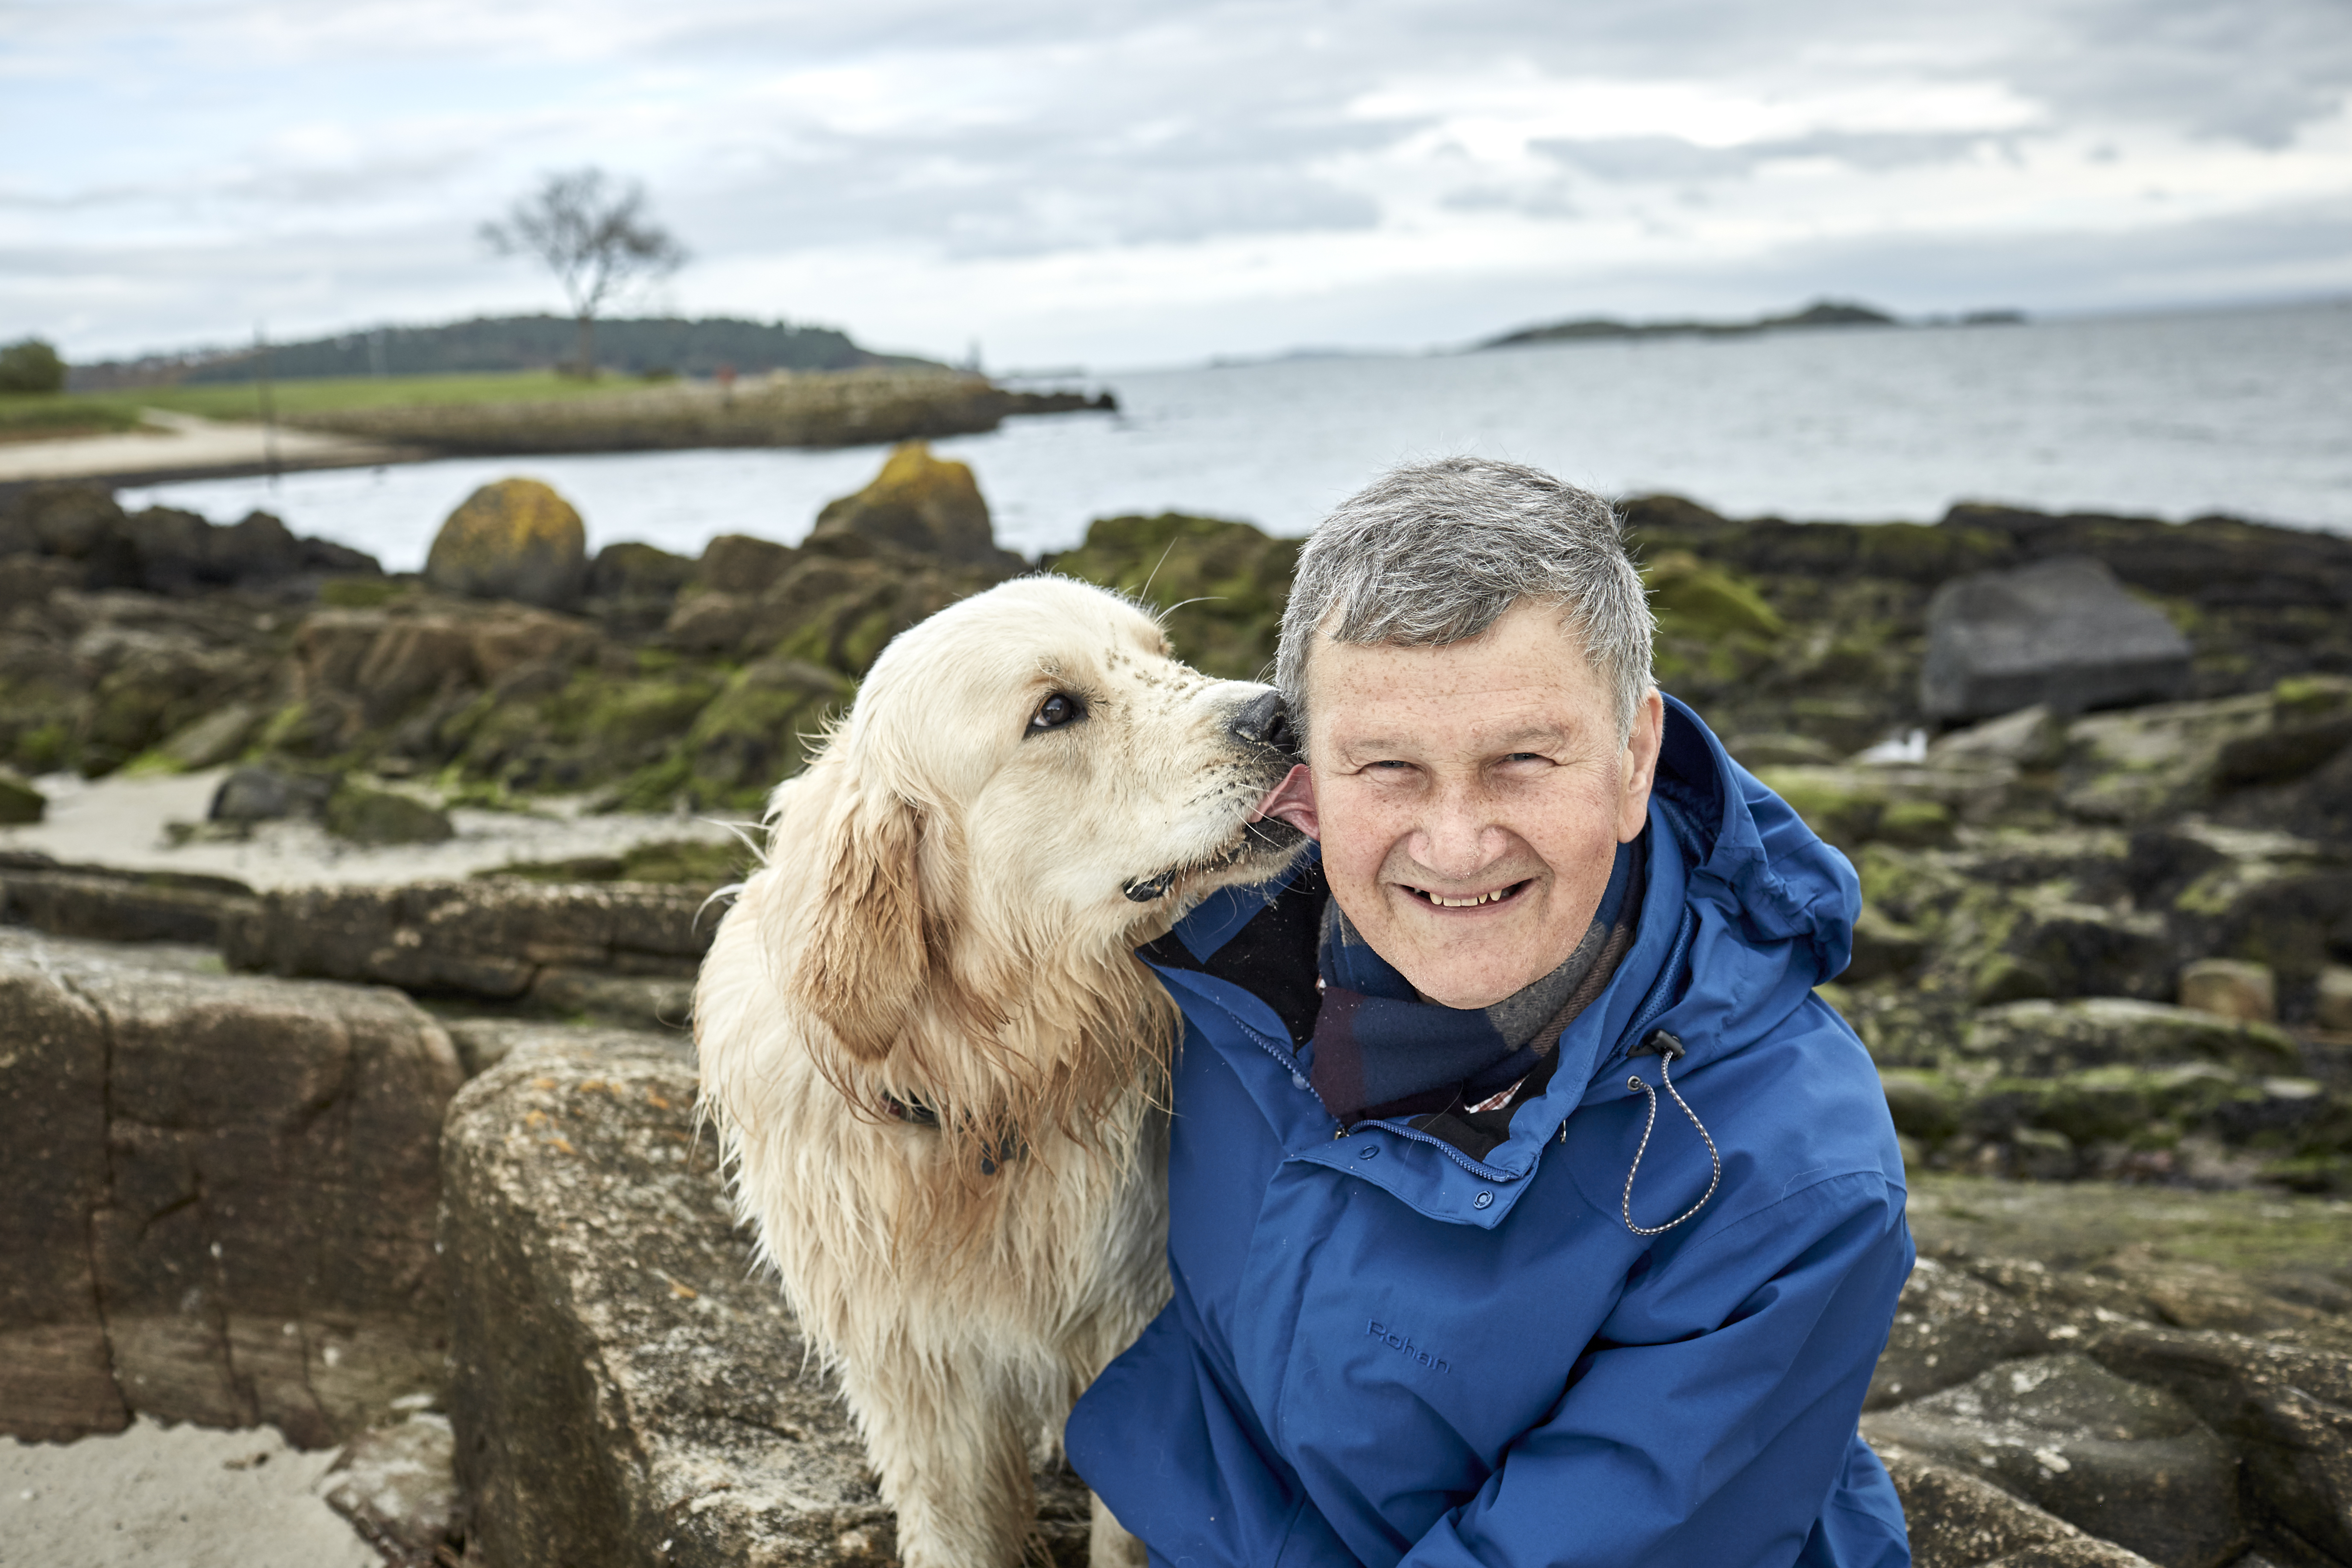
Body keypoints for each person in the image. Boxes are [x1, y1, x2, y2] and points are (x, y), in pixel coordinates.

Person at [1066, 457, 1913, 1568]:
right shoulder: (1199, 951)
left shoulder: (1783, 1177)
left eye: (1521, 761)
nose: (1455, 844)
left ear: (1631, 758)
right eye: (1386, 767)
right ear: (1303, 771)